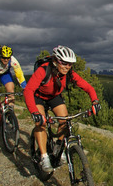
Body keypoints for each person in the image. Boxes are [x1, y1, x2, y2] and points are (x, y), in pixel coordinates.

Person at [23, 45, 100, 173]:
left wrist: (95, 101)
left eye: (70, 64)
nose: (67, 67)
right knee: (41, 123)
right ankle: (44, 157)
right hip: (38, 97)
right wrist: (34, 112)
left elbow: (88, 87)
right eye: (64, 63)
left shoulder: (69, 73)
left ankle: (58, 148)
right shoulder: (43, 70)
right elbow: (28, 90)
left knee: (65, 121)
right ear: (55, 61)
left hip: (54, 96)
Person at [0, 45, 27, 125]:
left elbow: (19, 74)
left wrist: (25, 87)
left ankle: (10, 112)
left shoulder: (13, 60)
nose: (6, 60)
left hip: (5, 74)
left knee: (11, 90)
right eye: (4, 58)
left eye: (8, 58)